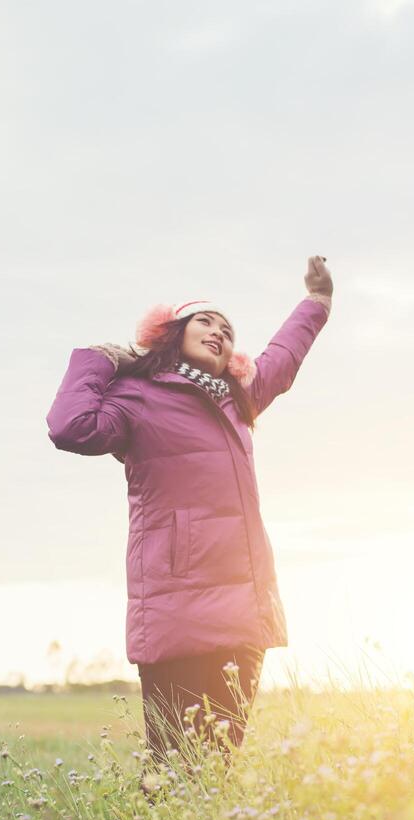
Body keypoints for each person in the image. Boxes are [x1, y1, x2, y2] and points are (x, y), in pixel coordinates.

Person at [46, 256, 334, 769]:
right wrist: (99, 359)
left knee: (218, 766)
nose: (219, 332)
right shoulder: (137, 397)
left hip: (244, 608)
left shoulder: (237, 400)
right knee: (172, 767)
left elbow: (281, 359)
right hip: (175, 605)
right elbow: (72, 428)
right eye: (205, 321)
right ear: (171, 331)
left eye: (227, 329)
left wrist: (316, 303)